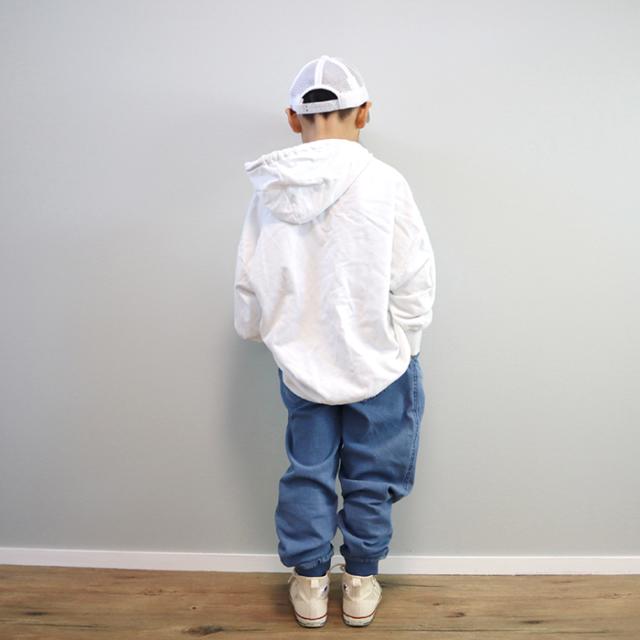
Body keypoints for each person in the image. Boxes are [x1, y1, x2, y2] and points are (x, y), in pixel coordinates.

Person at [233, 54, 436, 628]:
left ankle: (309, 582)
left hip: (302, 362)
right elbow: (414, 273)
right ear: (364, 113)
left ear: (292, 118)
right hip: (381, 360)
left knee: (308, 469)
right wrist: (407, 340)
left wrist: (266, 333)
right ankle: (361, 580)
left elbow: (249, 278)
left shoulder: (270, 189)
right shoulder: (386, 183)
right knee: (372, 475)